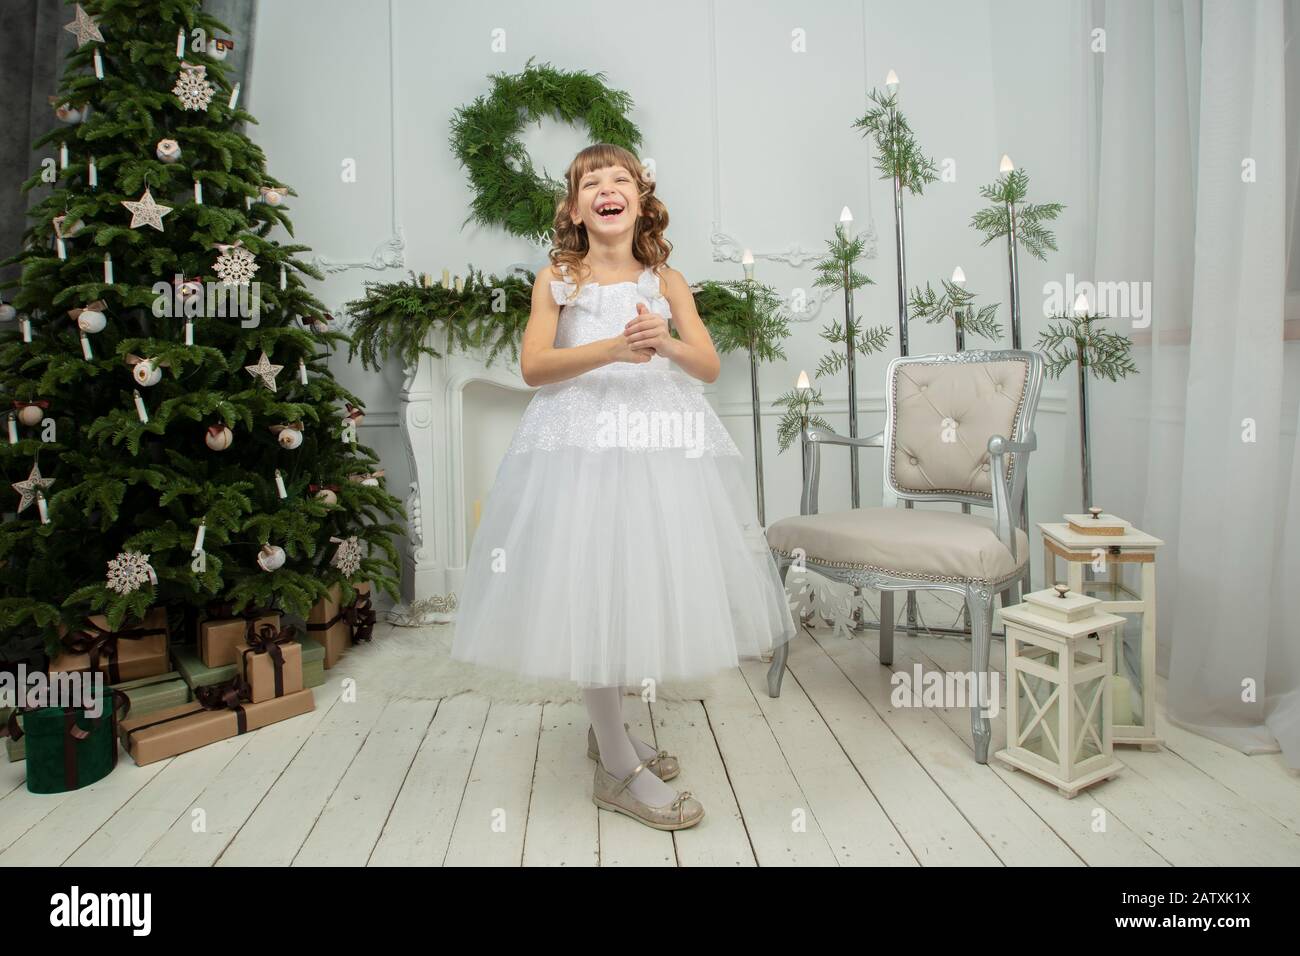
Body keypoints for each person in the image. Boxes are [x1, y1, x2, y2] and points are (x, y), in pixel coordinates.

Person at [450, 143, 797, 831]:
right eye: (591, 182)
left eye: (620, 180)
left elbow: (707, 365)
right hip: (581, 447)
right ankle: (615, 763)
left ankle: (609, 733)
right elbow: (533, 366)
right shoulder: (558, 278)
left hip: (657, 445)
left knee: (636, 582)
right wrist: (610, 348)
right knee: (593, 586)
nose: (607, 189)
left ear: (641, 200)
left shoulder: (666, 280)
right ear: (575, 208)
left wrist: (663, 342)